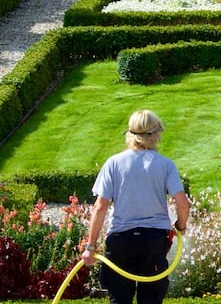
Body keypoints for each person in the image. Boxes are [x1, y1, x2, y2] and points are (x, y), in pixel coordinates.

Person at [81, 110, 191, 304]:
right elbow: (182, 203)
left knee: (120, 298)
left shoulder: (113, 163)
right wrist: (180, 226)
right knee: (151, 298)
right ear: (155, 134)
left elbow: (100, 207)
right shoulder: (165, 165)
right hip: (154, 241)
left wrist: (90, 247)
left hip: (120, 241)